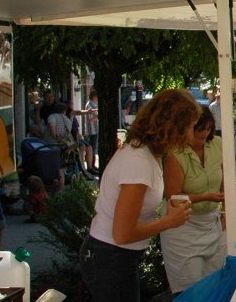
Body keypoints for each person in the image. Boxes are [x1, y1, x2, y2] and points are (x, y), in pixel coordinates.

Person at [80, 89, 197, 301]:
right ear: (172, 127)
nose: (190, 136)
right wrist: (167, 221)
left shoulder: (146, 154)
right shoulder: (139, 161)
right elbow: (123, 233)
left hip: (115, 256)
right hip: (111, 256)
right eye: (189, 127)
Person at [160, 105, 225, 294]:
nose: (204, 134)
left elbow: (225, 177)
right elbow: (173, 196)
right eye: (199, 129)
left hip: (211, 222)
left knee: (216, 282)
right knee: (192, 287)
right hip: (184, 228)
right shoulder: (176, 154)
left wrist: (226, 210)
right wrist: (205, 196)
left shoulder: (217, 144)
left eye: (208, 129)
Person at [82, 91, 100, 174]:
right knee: (92, 148)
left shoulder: (94, 104)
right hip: (91, 130)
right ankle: (90, 166)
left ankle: (93, 165)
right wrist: (98, 115)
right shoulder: (90, 104)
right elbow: (91, 118)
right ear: (94, 96)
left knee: (94, 148)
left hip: (95, 129)